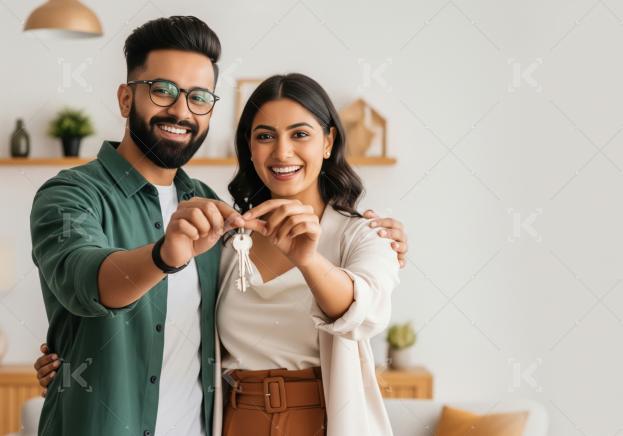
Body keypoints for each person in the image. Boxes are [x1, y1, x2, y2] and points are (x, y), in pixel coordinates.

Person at [30, 16, 407, 436]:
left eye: (198, 97)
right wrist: (161, 257)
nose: (180, 110)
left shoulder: (215, 214)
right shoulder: (70, 194)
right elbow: (83, 277)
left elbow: (359, 306)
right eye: (162, 90)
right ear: (124, 99)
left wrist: (371, 244)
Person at [212, 73, 399, 435]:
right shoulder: (228, 241)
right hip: (238, 419)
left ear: (328, 142)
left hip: (322, 420)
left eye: (300, 134)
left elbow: (364, 311)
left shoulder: (364, 235)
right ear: (250, 148)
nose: (282, 152)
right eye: (265, 136)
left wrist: (308, 259)